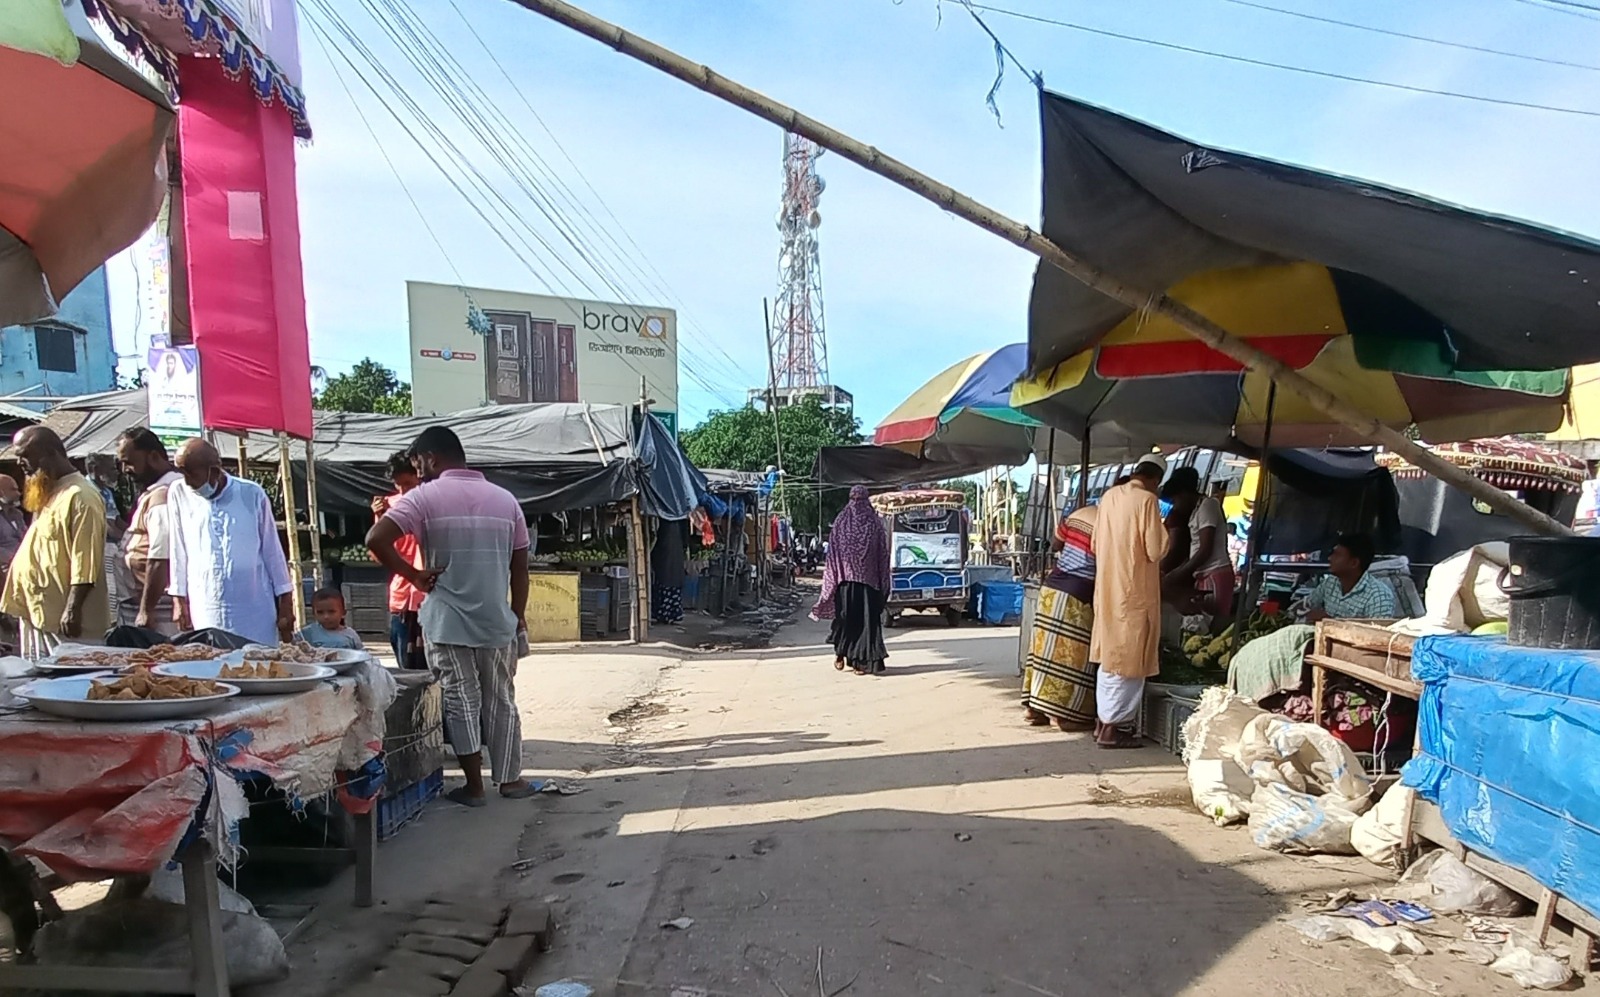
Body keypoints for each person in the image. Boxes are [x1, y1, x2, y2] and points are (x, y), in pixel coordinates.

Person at [367, 426, 535, 806]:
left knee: (460, 699)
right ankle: (510, 781)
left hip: (447, 621)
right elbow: (520, 567)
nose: (418, 471)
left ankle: (474, 788)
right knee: (501, 699)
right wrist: (517, 614)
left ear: (431, 458)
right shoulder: (506, 500)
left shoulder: (425, 498)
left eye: (418, 463)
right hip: (496, 620)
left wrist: (413, 576)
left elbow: (375, 539)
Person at [166, 439, 295, 645]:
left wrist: (286, 603)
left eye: (191, 474)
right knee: (211, 664)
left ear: (215, 471)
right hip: (206, 603)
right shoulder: (178, 492)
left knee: (257, 665)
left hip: (253, 607)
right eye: (182, 473)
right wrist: (178, 600)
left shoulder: (251, 493)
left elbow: (273, 552)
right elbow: (177, 548)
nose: (187, 481)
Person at [0, 427, 108, 655]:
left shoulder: (81, 496)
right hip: (39, 613)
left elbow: (85, 560)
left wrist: (72, 609)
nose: (20, 463)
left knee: (71, 685)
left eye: (25, 455)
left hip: (67, 623)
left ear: (49, 454)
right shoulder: (50, 492)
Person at [1090, 455, 1169, 748]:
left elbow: (1096, 543)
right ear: (1155, 480)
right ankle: (1111, 728)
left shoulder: (1109, 497)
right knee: (1129, 660)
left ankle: (1102, 723)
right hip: (1134, 591)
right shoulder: (1147, 501)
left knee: (1110, 658)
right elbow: (1155, 548)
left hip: (1108, 589)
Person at [1023, 502, 1099, 731]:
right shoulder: (1109, 524)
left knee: (1042, 652)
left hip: (1052, 588)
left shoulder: (1079, 514)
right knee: (1072, 657)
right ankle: (1065, 716)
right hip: (1077, 594)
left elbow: (1056, 543)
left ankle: (1033, 708)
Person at [813, 485, 890, 676]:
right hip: (846, 583)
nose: (857, 504)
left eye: (860, 500)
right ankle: (840, 652)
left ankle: (859, 662)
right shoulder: (841, 522)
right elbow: (833, 553)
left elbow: (882, 554)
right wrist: (833, 578)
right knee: (845, 620)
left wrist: (883, 582)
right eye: (854, 500)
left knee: (866, 623)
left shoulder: (875, 524)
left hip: (869, 584)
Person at [113, 429, 184, 634]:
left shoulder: (164, 494)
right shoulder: (158, 490)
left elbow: (159, 556)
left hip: (160, 606)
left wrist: (146, 609)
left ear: (153, 457)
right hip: (148, 600)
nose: (125, 469)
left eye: (130, 462)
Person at [372, 451, 426, 667]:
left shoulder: (433, 503)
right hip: (402, 597)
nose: (404, 490)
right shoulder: (388, 506)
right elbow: (377, 556)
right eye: (399, 485)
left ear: (419, 477)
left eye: (408, 483)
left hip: (428, 598)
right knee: (406, 667)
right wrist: (379, 519)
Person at [1162, 467, 1236, 618]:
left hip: (1215, 573)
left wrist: (1177, 574)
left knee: (1215, 622)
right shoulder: (1197, 510)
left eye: (1175, 500)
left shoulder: (1208, 506)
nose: (1175, 506)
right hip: (1204, 574)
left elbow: (1205, 550)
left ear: (1184, 493)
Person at [1305, 533, 1399, 622]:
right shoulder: (1331, 582)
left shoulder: (1378, 596)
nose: (1330, 558)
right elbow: (1309, 604)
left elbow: (1377, 634)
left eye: (1337, 555)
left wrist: (1330, 622)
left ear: (1354, 563)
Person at [298, 587, 363, 649]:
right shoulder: (307, 633)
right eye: (320, 612)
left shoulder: (351, 634)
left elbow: (361, 655)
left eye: (331, 612)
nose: (326, 616)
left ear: (343, 613)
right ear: (314, 614)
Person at [652, 518, 688, 625]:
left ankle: (663, 614)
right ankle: (671, 615)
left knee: (663, 585)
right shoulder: (679, 516)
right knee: (671, 586)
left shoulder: (663, 519)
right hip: (674, 555)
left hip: (664, 556)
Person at [0, 475, 27, 571]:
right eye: (13, 490)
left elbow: (25, 539)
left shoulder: (17, 514)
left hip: (24, 565)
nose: (19, 494)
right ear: (1, 492)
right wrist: (15, 559)